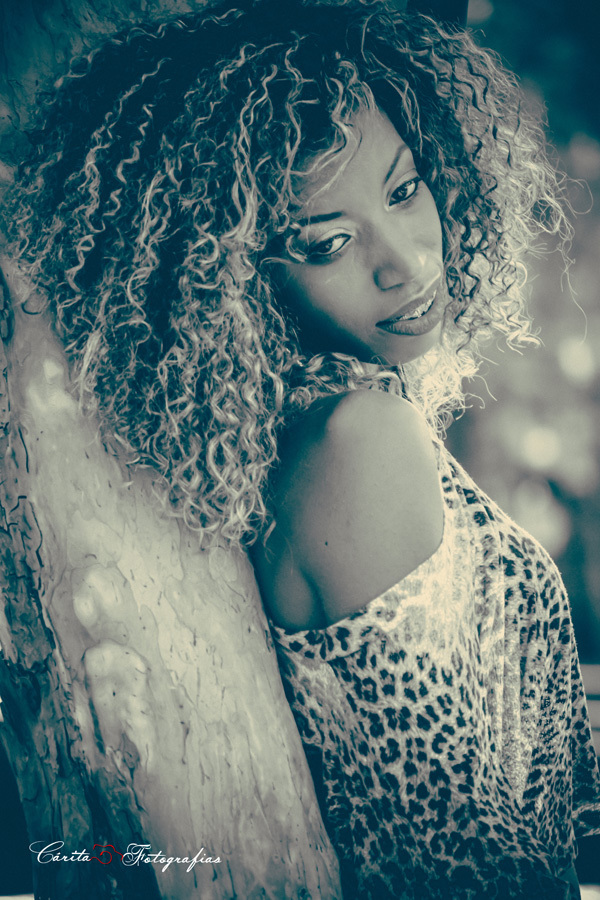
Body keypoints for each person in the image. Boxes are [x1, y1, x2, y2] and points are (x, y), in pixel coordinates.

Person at [3, 0, 599, 896]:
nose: (405, 262)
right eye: (328, 243)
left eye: (404, 189)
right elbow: (456, 858)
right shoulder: (361, 439)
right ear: (229, 274)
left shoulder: (292, 433)